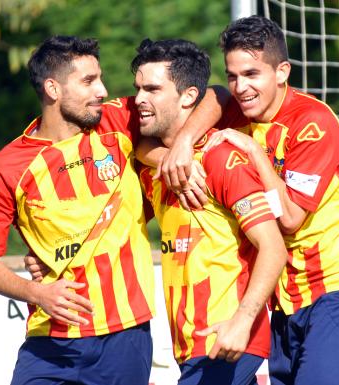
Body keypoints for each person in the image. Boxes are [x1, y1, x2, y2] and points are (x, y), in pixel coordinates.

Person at [160, 16, 339, 385]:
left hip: (336, 290)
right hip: (280, 299)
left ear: (282, 72)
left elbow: (291, 217)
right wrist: (184, 141)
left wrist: (252, 150)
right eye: (234, 75)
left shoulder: (313, 122)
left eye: (251, 74)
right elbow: (215, 94)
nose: (241, 87)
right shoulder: (237, 107)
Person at [0, 36, 157, 385]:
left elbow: (208, 95)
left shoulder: (117, 123)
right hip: (48, 343)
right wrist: (37, 293)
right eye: (88, 81)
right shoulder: (4, 167)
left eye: (100, 78)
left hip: (123, 336)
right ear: (53, 89)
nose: (102, 90)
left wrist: (171, 155)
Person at [132, 38, 287, 384]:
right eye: (138, 88)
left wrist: (242, 321)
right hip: (190, 348)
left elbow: (274, 248)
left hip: (226, 340)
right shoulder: (150, 168)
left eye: (153, 89)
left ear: (188, 96)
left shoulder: (220, 157)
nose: (139, 98)